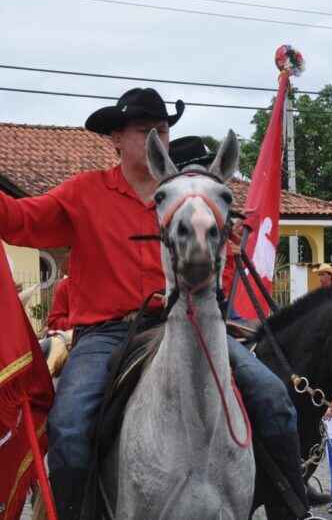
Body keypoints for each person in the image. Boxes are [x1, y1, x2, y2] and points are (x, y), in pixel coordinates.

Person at [0, 88, 308, 519]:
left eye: (162, 130)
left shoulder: (190, 196)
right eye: (146, 131)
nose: (158, 140)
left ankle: (292, 511)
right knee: (68, 429)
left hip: (191, 324)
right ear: (116, 139)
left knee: (274, 398)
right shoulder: (83, 193)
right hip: (106, 334)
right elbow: (19, 222)